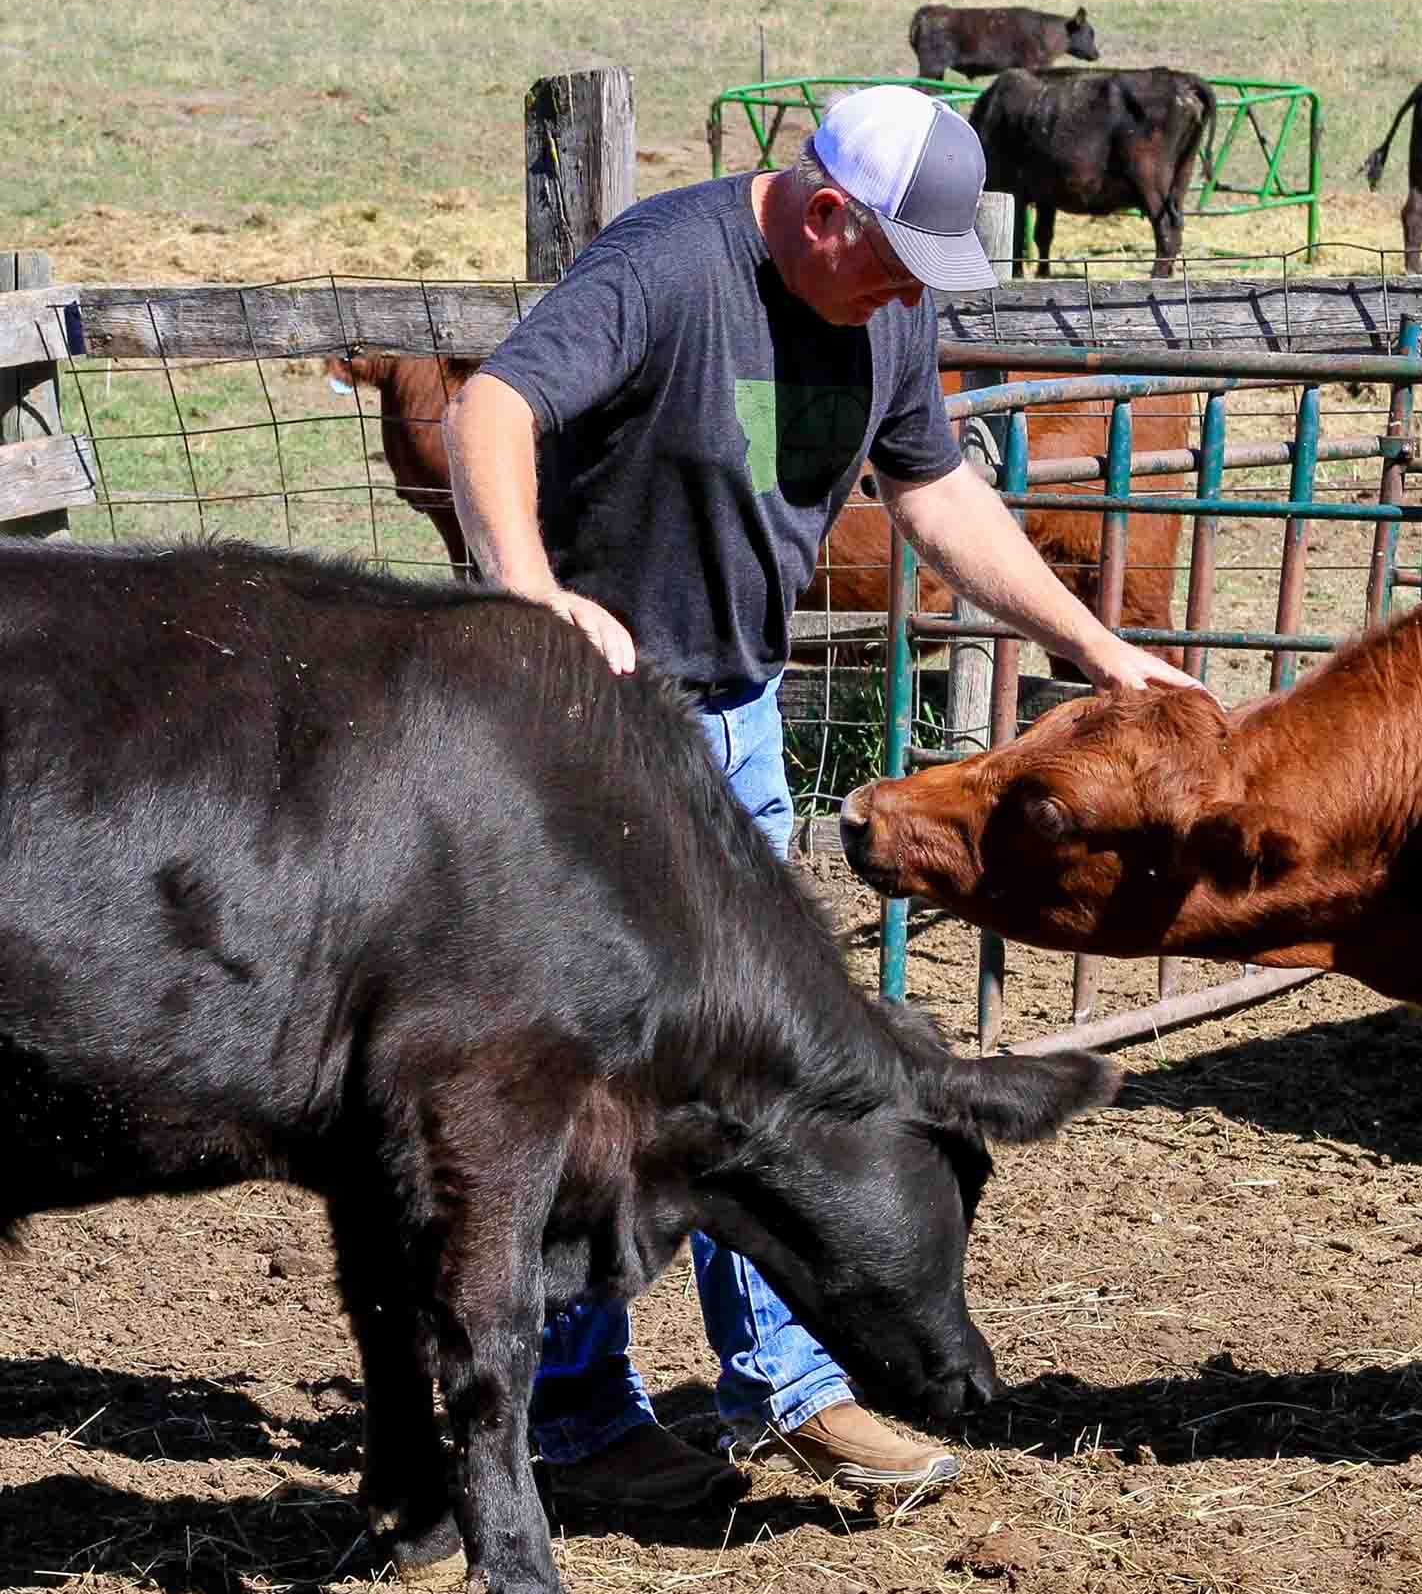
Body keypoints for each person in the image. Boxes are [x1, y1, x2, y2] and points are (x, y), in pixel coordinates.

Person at [444, 84, 1208, 1515]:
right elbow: (495, 405)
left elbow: (938, 492)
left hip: (731, 723)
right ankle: (572, 1413)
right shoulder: (668, 269)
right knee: (605, 1074)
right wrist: (533, 595)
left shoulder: (887, 300)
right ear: (825, 210)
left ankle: (785, 1390)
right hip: (584, 736)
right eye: (896, 262)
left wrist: (1089, 642)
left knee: (762, 1060)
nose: (911, 295)